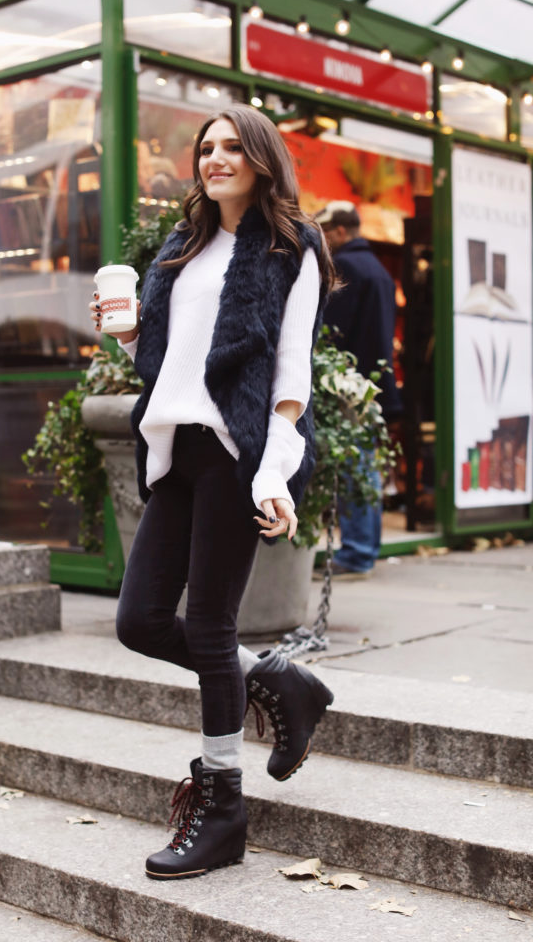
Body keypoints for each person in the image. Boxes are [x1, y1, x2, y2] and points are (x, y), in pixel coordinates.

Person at [90, 104, 335, 881]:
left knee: (207, 629)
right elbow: (166, 361)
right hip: (175, 451)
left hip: (235, 453)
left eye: (233, 146)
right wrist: (129, 335)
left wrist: (274, 470)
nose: (216, 158)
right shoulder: (182, 245)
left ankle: (223, 807)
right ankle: (278, 680)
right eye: (206, 148)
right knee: (139, 621)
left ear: (263, 158)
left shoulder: (292, 245)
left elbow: (291, 375)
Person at [314, 200, 403, 577]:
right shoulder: (379, 270)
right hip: (372, 383)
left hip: (349, 383)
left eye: (324, 234)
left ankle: (357, 552)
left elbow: (331, 332)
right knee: (362, 465)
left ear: (338, 232)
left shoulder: (347, 266)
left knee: (354, 467)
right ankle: (364, 548)